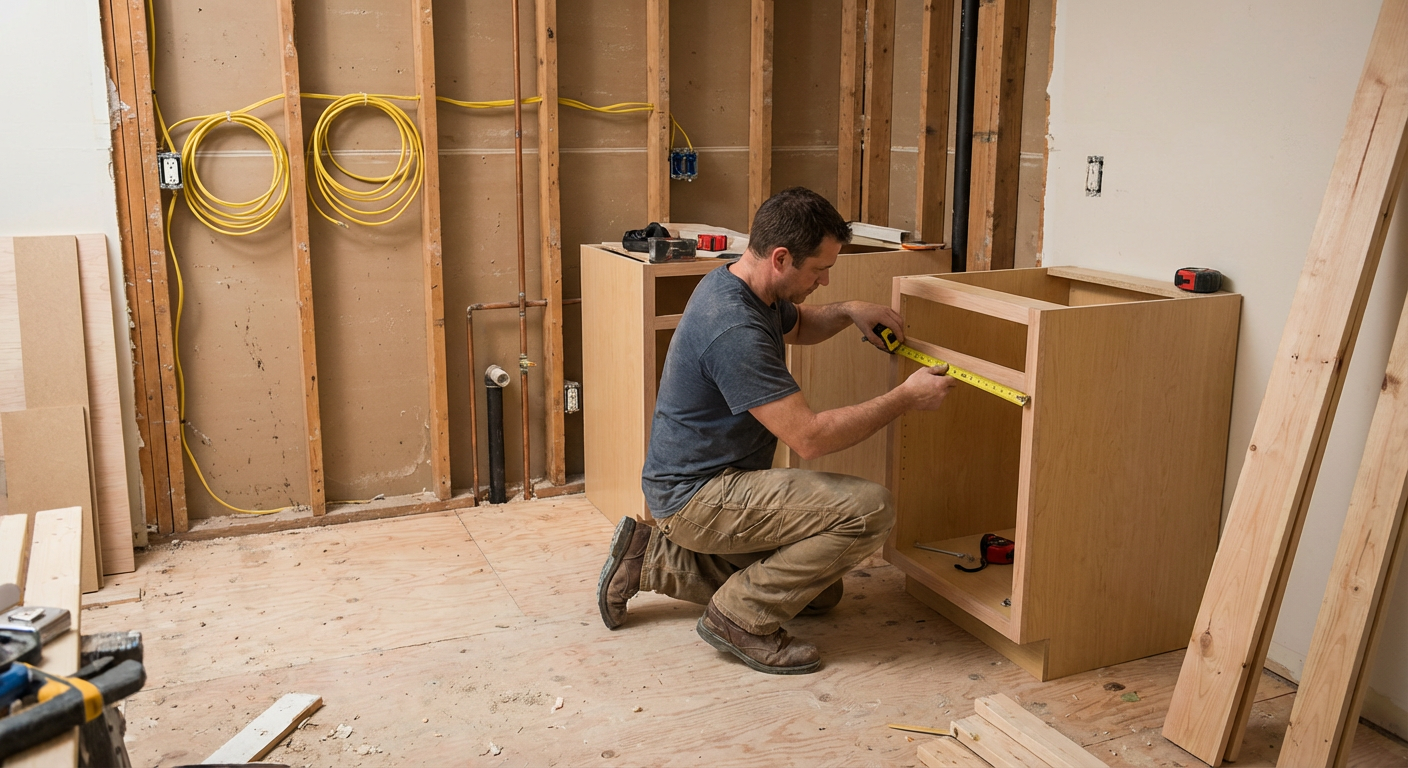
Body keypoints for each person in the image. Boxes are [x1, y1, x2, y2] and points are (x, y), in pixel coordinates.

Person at [596, 187, 957, 674]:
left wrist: (849, 311)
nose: (824, 281)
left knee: (821, 592)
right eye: (818, 270)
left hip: (706, 482)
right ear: (781, 258)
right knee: (870, 510)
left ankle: (650, 560)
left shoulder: (742, 285)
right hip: (699, 497)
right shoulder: (733, 328)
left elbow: (800, 324)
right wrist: (905, 398)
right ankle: (739, 620)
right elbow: (810, 438)